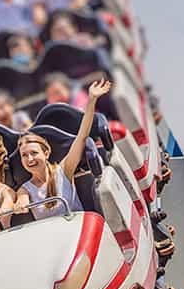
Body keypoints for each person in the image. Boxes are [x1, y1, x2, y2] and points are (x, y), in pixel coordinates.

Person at [14, 78, 111, 220]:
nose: (29, 159)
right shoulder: (25, 189)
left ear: (46, 153)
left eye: (34, 153)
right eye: (24, 155)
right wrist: (20, 204)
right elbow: (22, 200)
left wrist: (91, 100)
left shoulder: (63, 171)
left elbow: (82, 136)